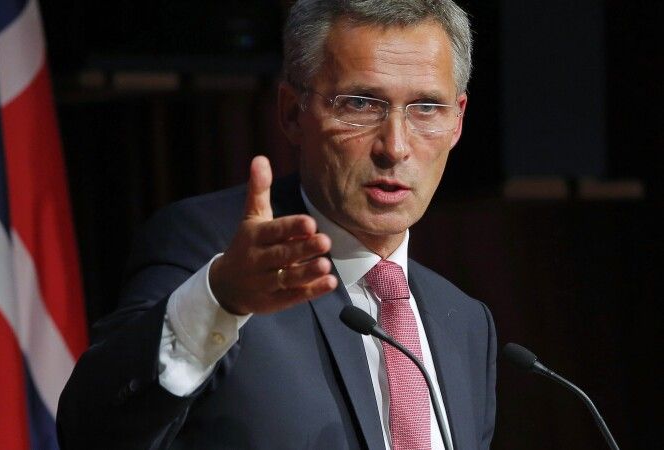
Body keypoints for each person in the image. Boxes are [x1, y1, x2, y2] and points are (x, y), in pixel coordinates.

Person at [57, 0, 496, 449]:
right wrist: (219, 301)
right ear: (291, 112)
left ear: (457, 120)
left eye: (426, 108)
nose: (395, 147)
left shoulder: (465, 323)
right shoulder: (213, 256)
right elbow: (92, 432)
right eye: (361, 104)